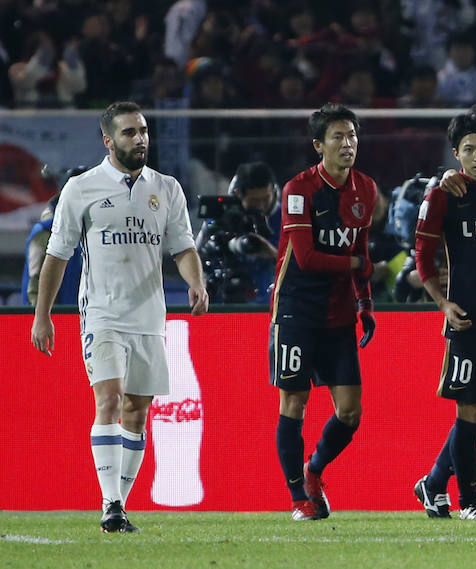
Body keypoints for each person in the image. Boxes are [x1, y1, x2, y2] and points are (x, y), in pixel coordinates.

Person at [29, 101, 209, 533]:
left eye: (143, 130)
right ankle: (110, 501)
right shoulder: (82, 189)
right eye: (129, 132)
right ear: (108, 141)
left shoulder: (166, 189)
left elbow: (182, 246)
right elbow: (57, 254)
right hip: (102, 314)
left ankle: (119, 506)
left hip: (150, 316)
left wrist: (196, 282)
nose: (140, 138)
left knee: (137, 411)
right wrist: (43, 315)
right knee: (108, 400)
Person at [269, 103, 377, 521]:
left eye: (352, 136)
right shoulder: (298, 189)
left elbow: (362, 248)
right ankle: (298, 497)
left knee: (350, 411)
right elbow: (308, 256)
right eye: (338, 137)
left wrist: (365, 301)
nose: (348, 143)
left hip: (338, 312)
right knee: (293, 401)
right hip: (296, 307)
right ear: (319, 145)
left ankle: (314, 470)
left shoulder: (366, 188)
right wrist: (355, 267)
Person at [412, 107, 476, 520]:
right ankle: (469, 501)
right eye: (468, 149)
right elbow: (423, 256)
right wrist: (441, 301)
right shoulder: (443, 195)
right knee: (468, 412)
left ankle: (434, 481)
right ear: (456, 153)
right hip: (468, 318)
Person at [195, 161, 281, 304]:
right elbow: (197, 255)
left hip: (268, 302)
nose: (261, 206)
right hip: (222, 297)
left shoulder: (286, 217)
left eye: (266, 199)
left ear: (274, 191)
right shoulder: (220, 217)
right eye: (254, 200)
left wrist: (273, 253)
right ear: (238, 194)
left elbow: (299, 266)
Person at [22, 167, 88, 306]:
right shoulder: (45, 232)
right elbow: (35, 286)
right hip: (61, 320)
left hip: (90, 318)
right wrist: (42, 318)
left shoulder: (92, 229)